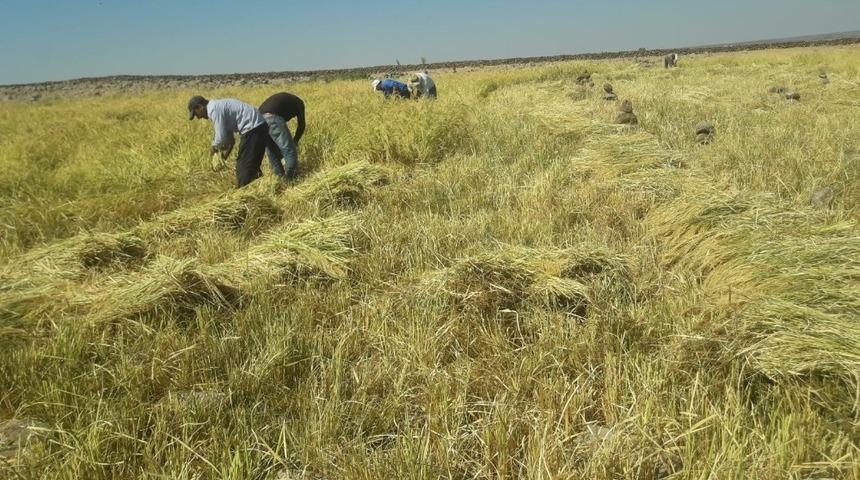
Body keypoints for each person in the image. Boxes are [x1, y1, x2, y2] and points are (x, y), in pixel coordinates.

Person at [188, 95, 283, 188]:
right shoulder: (217, 107)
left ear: (200, 107)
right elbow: (229, 139)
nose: (198, 117)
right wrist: (223, 157)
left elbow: (220, 137)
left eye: (196, 114)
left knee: (243, 166)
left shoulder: (214, 110)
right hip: (257, 126)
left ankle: (244, 191)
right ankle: (259, 187)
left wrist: (213, 149)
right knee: (250, 163)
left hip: (253, 128)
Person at [259, 92, 305, 180]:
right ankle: (291, 180)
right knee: (289, 150)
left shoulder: (286, 100)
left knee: (272, 152)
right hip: (272, 117)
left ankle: (279, 179)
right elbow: (301, 125)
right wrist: (295, 141)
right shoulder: (299, 103)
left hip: (258, 121)